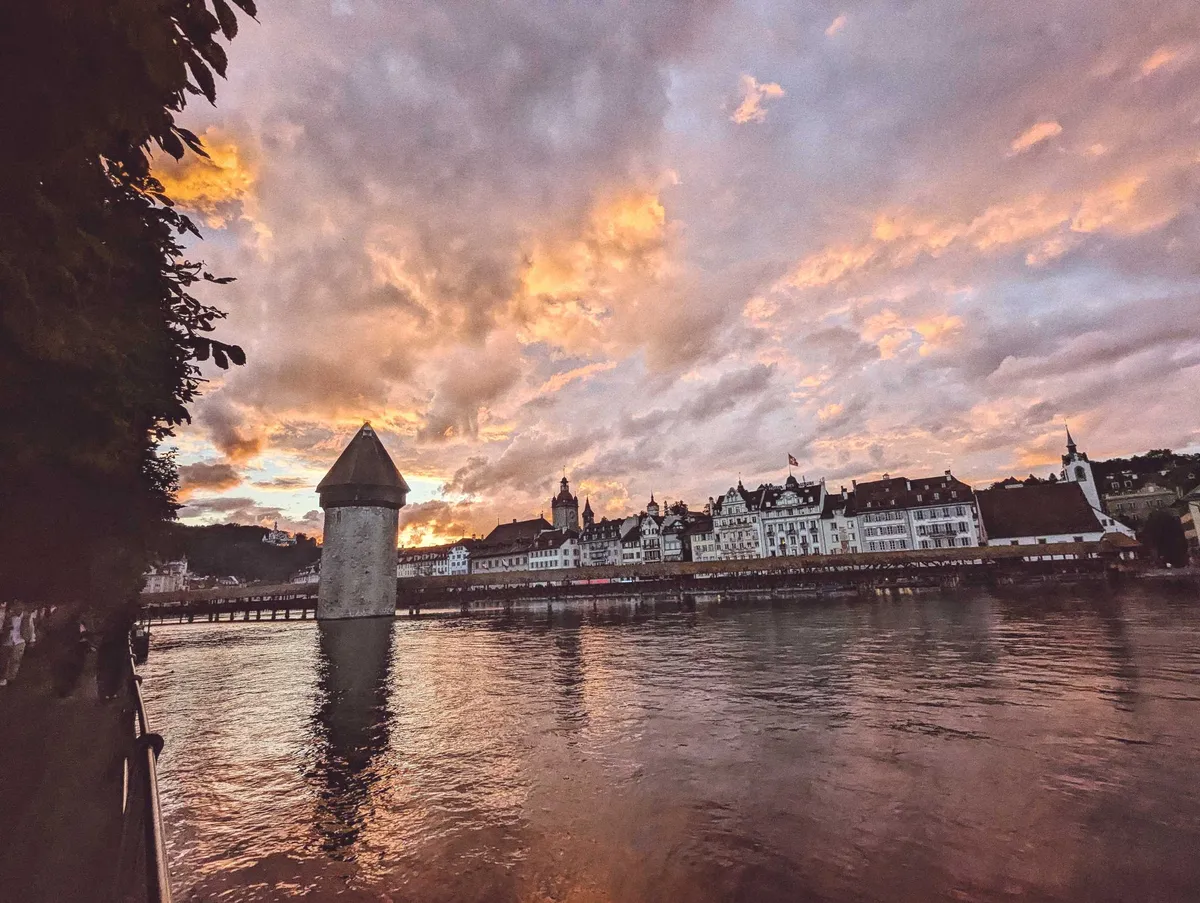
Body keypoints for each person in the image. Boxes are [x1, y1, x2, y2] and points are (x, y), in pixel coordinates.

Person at [1, 603, 27, 686]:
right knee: (4, 660)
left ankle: (11, 678)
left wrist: (31, 638)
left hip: (19, 640)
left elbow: (30, 627)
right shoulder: (8, 616)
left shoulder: (26, 617)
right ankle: (3, 677)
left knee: (15, 660)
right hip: (7, 640)